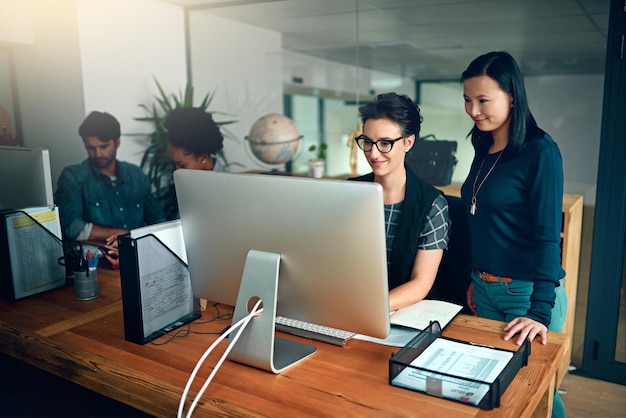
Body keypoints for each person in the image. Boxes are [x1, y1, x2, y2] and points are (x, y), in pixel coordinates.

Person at [460, 52, 567, 416]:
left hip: (527, 293)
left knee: (536, 390)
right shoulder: (483, 145)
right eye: (467, 100)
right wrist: (479, 275)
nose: (474, 110)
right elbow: (482, 217)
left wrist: (539, 312)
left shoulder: (541, 152)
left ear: (512, 97)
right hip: (486, 288)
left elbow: (549, 236)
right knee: (492, 389)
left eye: (483, 100)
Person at [349, 92, 450, 312]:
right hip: (353, 307)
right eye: (367, 142)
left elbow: (421, 283)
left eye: (385, 143)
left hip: (406, 312)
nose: (373, 153)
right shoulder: (349, 192)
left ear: (408, 142)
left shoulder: (432, 205)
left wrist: (372, 308)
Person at [55, 111, 166, 268]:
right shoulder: (73, 176)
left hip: (139, 258)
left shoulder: (136, 175)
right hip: (95, 265)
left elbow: (159, 222)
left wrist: (130, 239)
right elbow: (72, 227)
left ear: (117, 142)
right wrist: (122, 234)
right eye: (91, 148)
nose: (98, 153)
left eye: (103, 146)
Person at [164, 107, 227, 172]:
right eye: (173, 164)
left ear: (203, 159)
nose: (176, 171)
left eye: (182, 166)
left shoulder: (227, 181)